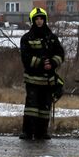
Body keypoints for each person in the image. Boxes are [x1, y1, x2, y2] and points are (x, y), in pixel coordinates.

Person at [19, 7, 64, 140]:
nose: (39, 21)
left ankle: (41, 132)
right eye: (36, 19)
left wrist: (53, 63)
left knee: (45, 107)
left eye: (41, 19)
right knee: (31, 107)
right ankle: (27, 132)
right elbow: (25, 58)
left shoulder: (52, 37)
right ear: (32, 21)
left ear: (45, 20)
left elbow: (60, 54)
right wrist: (41, 63)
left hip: (48, 79)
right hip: (33, 79)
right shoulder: (27, 38)